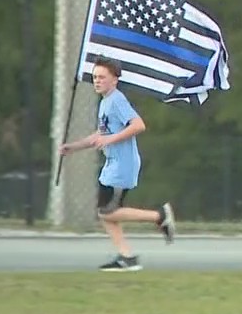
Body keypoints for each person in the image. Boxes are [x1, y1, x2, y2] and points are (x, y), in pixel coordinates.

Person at [59, 57, 176, 272]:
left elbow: (138, 125)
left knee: (107, 212)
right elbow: (101, 134)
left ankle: (159, 215)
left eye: (102, 77)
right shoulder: (105, 103)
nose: (97, 81)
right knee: (106, 213)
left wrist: (110, 140)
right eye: (95, 77)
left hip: (122, 166)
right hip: (111, 165)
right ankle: (126, 257)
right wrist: (74, 147)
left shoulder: (117, 100)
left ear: (115, 80)